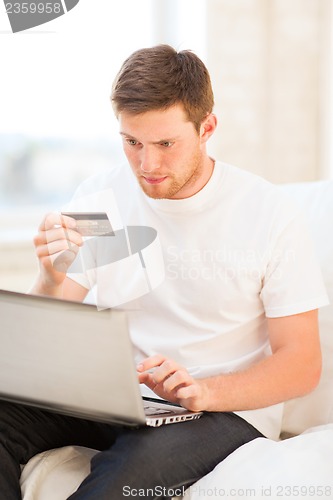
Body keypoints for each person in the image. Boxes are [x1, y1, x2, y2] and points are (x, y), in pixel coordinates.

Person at [0, 45, 328, 500]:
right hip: (113, 396)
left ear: (207, 127)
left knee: (121, 479)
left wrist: (204, 392)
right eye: (132, 143)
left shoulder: (269, 215)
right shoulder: (102, 197)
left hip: (221, 410)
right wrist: (51, 279)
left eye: (165, 144)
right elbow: (51, 326)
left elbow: (302, 363)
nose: (147, 165)